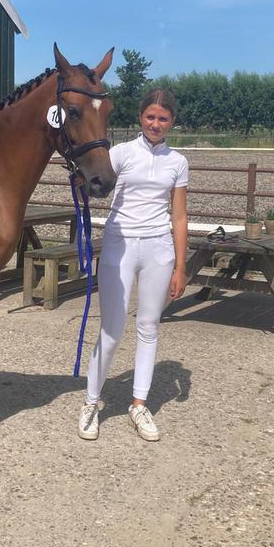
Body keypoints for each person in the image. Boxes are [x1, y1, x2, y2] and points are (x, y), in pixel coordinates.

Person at [79, 88, 189, 442]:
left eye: (163, 118)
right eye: (150, 117)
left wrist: (181, 266)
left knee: (148, 326)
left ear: (172, 122)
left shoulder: (178, 162)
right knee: (111, 330)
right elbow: (95, 183)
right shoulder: (121, 153)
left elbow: (179, 216)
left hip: (159, 248)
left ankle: (139, 405)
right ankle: (91, 403)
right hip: (120, 245)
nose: (156, 124)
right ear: (141, 117)